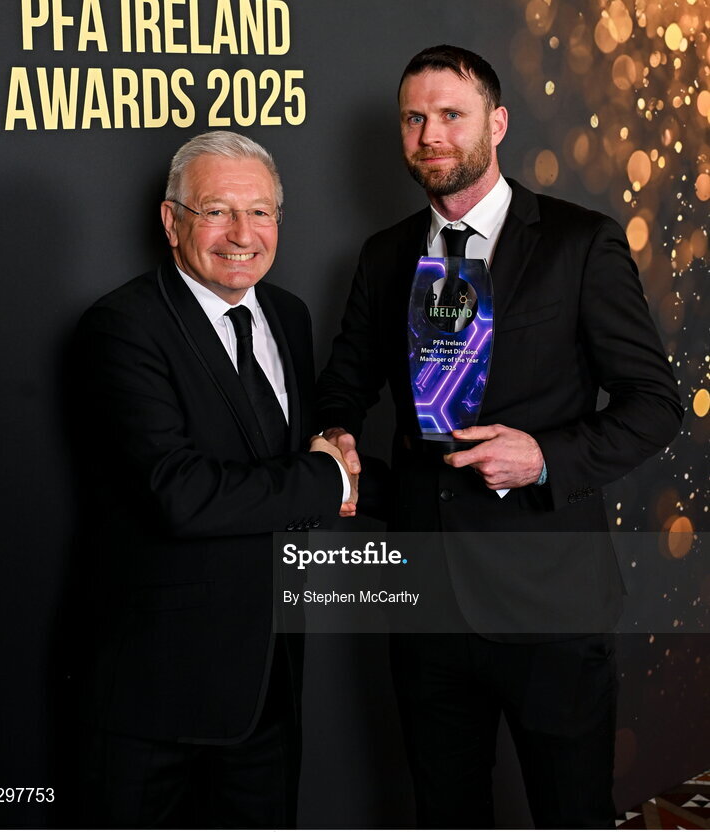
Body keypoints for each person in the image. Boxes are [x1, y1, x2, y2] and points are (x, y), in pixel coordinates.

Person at [317, 45, 683, 829]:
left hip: (549, 601)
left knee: (569, 813)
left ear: (497, 122)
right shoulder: (385, 257)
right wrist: (336, 440)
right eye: (414, 118)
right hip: (426, 605)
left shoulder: (580, 243)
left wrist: (546, 455)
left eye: (451, 114)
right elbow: (343, 387)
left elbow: (655, 404)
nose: (430, 135)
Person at [73, 131, 356, 828]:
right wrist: (328, 479)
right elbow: (182, 494)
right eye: (216, 211)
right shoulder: (123, 327)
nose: (242, 235)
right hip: (158, 700)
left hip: (268, 689)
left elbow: (281, 452)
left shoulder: (286, 315)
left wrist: (335, 458)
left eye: (260, 213)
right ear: (172, 223)